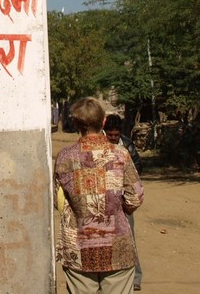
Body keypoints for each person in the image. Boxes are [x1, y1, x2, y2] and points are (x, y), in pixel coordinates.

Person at [54, 97, 143, 294]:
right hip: (117, 247)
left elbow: (57, 200)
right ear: (103, 122)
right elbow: (135, 197)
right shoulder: (121, 154)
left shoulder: (64, 157)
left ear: (76, 123)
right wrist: (121, 209)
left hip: (78, 249)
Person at [104, 114, 143, 291]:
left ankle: (136, 277)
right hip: (104, 202)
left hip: (123, 201)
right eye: (110, 135)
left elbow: (137, 169)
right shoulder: (99, 146)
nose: (113, 138)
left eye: (116, 135)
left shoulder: (126, 146)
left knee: (129, 238)